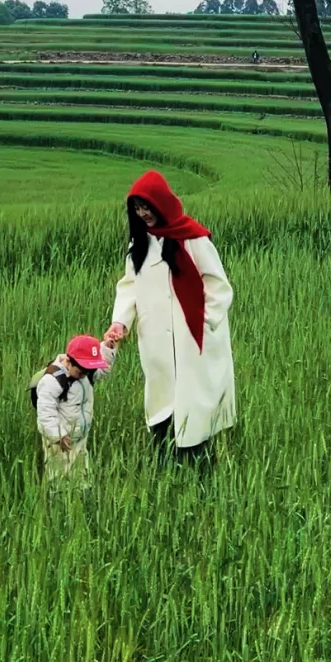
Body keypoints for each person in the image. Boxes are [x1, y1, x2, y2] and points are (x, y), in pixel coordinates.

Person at [103, 171, 235, 459]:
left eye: (147, 207)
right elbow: (129, 286)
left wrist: (203, 323)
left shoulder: (193, 239)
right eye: (137, 208)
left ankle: (199, 463)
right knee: (161, 399)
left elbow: (219, 287)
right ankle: (166, 460)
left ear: (161, 203)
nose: (143, 214)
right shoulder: (139, 245)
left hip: (194, 339)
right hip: (155, 340)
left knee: (195, 403)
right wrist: (120, 322)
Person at [30, 334, 115, 485]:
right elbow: (45, 413)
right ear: (69, 362)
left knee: (81, 472)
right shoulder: (52, 381)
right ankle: (57, 495)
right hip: (59, 441)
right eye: (81, 372)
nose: (85, 375)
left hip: (79, 436)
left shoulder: (85, 371)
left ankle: (82, 493)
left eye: (89, 371)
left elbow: (103, 370)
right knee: (59, 474)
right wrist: (58, 436)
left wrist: (107, 349)